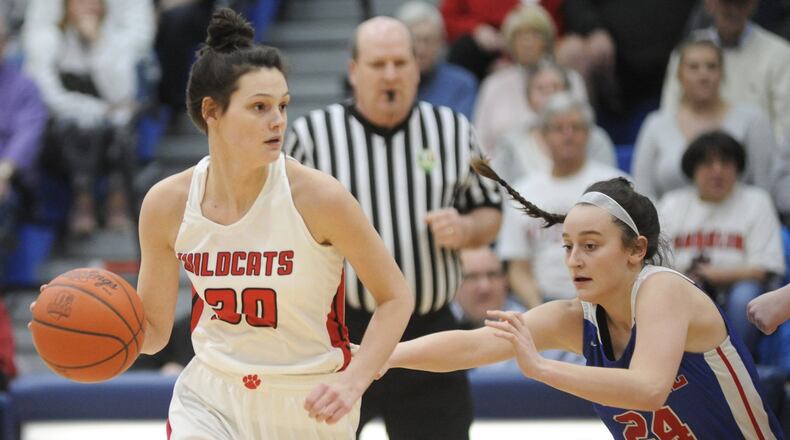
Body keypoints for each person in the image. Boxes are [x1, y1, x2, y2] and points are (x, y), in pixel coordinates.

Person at [133, 9, 413, 439]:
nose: (278, 120)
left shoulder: (319, 197)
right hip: (212, 396)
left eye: (282, 105)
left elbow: (395, 297)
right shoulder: (167, 203)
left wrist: (354, 379)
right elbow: (151, 335)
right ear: (212, 111)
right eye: (260, 107)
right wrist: (99, 328)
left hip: (307, 399)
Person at [385, 161, 784, 438]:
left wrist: (541, 368)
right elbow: (472, 346)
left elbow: (648, 390)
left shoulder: (663, 289)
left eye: (591, 245)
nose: (574, 260)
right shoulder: (575, 319)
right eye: (568, 246)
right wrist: (383, 356)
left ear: (636, 249)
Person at [284, 16, 502, 440]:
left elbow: (490, 212)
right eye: (378, 63)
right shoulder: (311, 136)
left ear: (417, 69)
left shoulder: (454, 130)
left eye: (401, 63)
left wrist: (466, 227)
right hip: (339, 336)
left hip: (429, 335)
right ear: (353, 71)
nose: (390, 75)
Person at [22, 0, 155, 236]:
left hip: (106, 129)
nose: (88, 8)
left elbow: (121, 94)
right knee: (78, 127)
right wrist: (96, 109)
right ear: (66, 7)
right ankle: (82, 198)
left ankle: (117, 197)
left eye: (95, 3)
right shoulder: (50, 40)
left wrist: (98, 44)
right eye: (81, 2)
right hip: (63, 130)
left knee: (121, 126)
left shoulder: (114, 41)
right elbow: (48, 96)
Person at [658, 131, 785, 352]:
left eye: (725, 162)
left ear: (737, 168)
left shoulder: (756, 201)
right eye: (707, 163)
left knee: (744, 295)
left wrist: (713, 274)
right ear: (693, 170)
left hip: (739, 294)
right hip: (684, 288)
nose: (717, 170)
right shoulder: (672, 204)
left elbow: (765, 268)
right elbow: (655, 265)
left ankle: (740, 360)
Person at [496, 92, 626, 309]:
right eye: (558, 128)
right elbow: (517, 267)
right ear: (543, 136)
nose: (568, 135)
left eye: (576, 127)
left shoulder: (616, 187)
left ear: (588, 134)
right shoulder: (523, 192)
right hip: (542, 302)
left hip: (606, 303)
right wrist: (540, 309)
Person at [633, 38, 777, 202]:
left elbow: (764, 189)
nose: (703, 75)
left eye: (711, 66)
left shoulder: (753, 120)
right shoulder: (656, 124)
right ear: (679, 75)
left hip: (740, 223)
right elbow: (643, 193)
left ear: (722, 73)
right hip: (670, 223)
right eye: (694, 67)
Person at [661, 0, 790, 142]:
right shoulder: (685, 52)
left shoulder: (780, 54)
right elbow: (668, 119)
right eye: (725, 3)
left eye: (740, 4)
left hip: (758, 158)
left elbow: (784, 132)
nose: (733, 11)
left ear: (753, 4)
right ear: (709, 4)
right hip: (692, 154)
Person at [473, 4, 587, 154]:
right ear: (509, 43)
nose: (527, 42)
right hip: (501, 172)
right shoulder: (494, 85)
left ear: (548, 40)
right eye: (519, 36)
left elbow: (584, 131)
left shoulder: (570, 80)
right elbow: (478, 142)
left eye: (535, 34)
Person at [492, 70, 615, 184]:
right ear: (528, 98)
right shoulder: (510, 144)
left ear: (569, 92)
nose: (550, 94)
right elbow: (503, 192)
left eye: (556, 87)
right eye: (541, 89)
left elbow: (608, 186)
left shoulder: (596, 138)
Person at [396, 1, 478, 119]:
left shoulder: (462, 85)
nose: (421, 49)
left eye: (428, 41)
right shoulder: (389, 81)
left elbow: (461, 130)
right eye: (415, 40)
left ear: (440, 42)